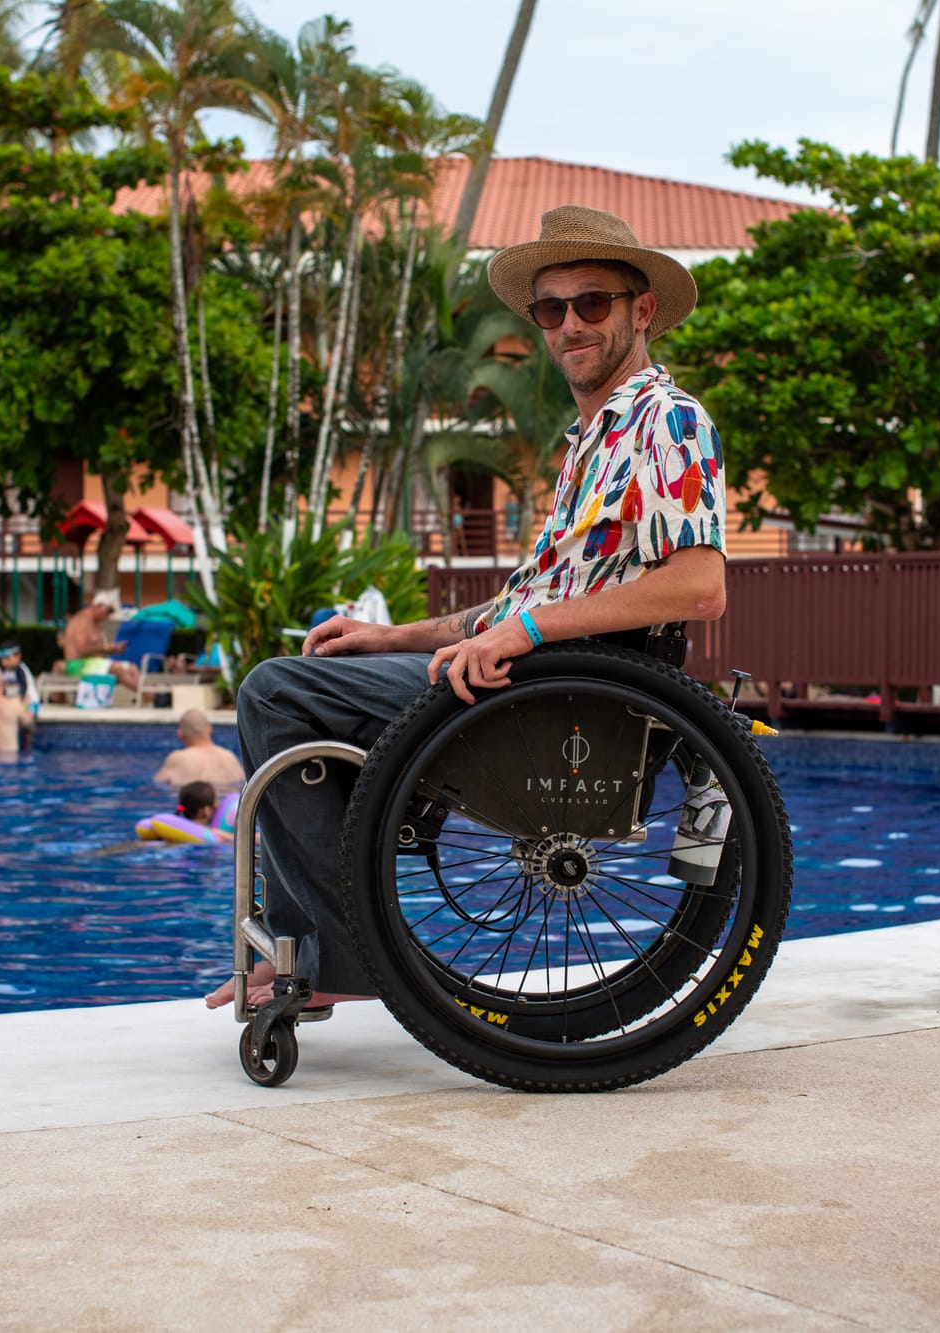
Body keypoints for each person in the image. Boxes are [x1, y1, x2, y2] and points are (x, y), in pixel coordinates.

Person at [206, 205, 728, 1013]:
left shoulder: (668, 419)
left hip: (566, 695)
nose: (570, 324)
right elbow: (524, 601)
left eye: (592, 303)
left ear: (642, 310)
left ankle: (334, 958)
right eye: (550, 309)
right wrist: (388, 636)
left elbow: (697, 584)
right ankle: (314, 945)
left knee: (275, 693)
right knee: (311, 677)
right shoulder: (590, 441)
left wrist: (525, 629)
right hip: (530, 674)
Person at [60, 591, 142, 695]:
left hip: (93, 663)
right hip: (77, 665)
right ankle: (147, 695)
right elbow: (82, 649)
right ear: (97, 606)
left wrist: (113, 649)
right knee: (117, 668)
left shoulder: (97, 622)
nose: (109, 616)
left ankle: (148, 697)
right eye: (109, 611)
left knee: (132, 668)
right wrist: (107, 648)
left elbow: (99, 648)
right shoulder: (82, 620)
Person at [153, 708, 246, 789]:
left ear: (180, 734)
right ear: (210, 729)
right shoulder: (229, 757)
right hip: (228, 802)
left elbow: (158, 783)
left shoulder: (177, 759)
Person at [0, 642, 39, 709]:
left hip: (30, 704)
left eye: (7, 658)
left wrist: (18, 699)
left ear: (17, 656)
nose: (4, 662)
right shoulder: (6, 672)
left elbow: (23, 687)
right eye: (1, 659)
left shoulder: (20, 670)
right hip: (15, 703)